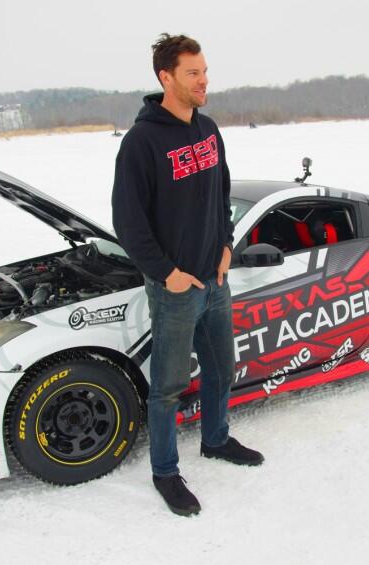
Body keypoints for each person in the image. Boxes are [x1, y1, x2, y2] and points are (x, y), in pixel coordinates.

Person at [111, 33, 264, 516]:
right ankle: (165, 472)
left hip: (214, 280)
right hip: (175, 289)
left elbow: (221, 194)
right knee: (168, 387)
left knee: (222, 369)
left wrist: (224, 247)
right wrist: (167, 274)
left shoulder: (208, 129)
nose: (204, 81)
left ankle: (216, 440)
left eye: (204, 71)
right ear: (166, 77)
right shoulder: (142, 142)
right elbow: (128, 222)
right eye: (193, 73)